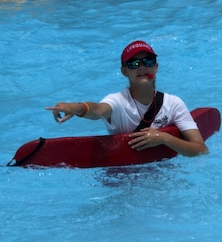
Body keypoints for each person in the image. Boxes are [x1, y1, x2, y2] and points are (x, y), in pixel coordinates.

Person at [46, 40, 207, 157]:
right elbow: (97, 110)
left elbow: (201, 149)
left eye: (148, 61)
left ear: (156, 67)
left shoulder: (173, 104)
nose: (142, 67)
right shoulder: (117, 101)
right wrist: (77, 108)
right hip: (122, 177)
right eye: (134, 64)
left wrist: (164, 138)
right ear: (124, 71)